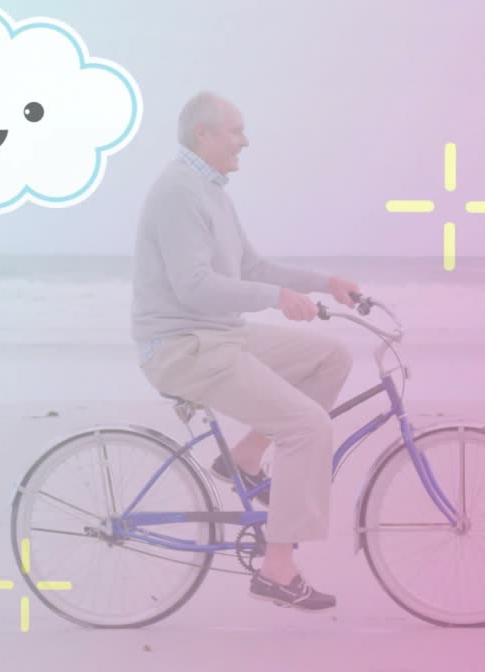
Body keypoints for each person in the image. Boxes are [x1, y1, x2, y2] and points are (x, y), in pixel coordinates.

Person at [131, 91, 359, 612]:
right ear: (202, 135)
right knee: (308, 427)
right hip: (183, 346)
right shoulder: (177, 193)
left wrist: (324, 283)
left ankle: (247, 455)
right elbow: (193, 288)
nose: (246, 140)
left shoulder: (211, 191)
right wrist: (276, 300)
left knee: (331, 357)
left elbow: (251, 268)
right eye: (236, 130)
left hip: (220, 337)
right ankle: (277, 569)